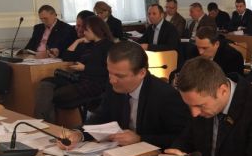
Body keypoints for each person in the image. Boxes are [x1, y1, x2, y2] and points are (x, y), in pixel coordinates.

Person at [61, 41, 189, 149]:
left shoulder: (165, 96)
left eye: (119, 76)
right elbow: (101, 117)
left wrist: (140, 139)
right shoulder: (115, 85)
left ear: (142, 73)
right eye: (110, 72)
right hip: (120, 152)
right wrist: (79, 134)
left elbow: (181, 138)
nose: (112, 80)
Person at [34, 16, 114, 123]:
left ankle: (45, 122)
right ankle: (41, 121)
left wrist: (85, 68)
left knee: (51, 96)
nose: (83, 33)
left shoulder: (109, 46)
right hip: (79, 79)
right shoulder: (87, 44)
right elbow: (67, 57)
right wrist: (77, 41)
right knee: (45, 83)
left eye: (86, 30)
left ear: (95, 30)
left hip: (94, 83)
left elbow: (108, 70)